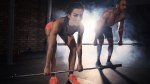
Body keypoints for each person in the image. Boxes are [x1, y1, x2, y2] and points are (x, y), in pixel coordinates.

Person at [44, 2, 84, 84]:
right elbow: (50, 47)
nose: (79, 18)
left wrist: (80, 63)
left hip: (66, 32)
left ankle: (71, 75)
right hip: (52, 27)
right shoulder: (58, 23)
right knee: (53, 48)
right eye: (75, 15)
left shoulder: (81, 27)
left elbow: (79, 45)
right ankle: (53, 77)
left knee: (73, 48)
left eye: (81, 15)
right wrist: (47, 66)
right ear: (69, 15)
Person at [94, 0, 126, 66]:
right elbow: (99, 26)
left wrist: (120, 40)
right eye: (123, 5)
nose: (125, 7)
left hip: (108, 27)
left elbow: (120, 28)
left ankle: (108, 61)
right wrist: (95, 39)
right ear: (117, 5)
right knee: (101, 42)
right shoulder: (108, 13)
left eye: (125, 5)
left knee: (111, 43)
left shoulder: (122, 16)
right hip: (100, 26)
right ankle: (98, 61)